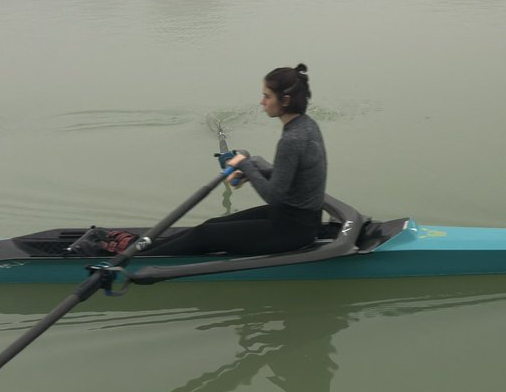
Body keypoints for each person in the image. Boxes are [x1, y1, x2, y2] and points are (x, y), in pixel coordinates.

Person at [72, 64, 327, 257]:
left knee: (207, 235)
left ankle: (130, 260)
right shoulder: (307, 126)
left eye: (267, 96)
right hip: (296, 218)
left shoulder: (291, 140)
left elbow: (275, 195)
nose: (262, 103)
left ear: (284, 101)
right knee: (211, 225)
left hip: (293, 230)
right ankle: (140, 248)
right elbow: (290, 178)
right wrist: (256, 164)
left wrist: (245, 165)